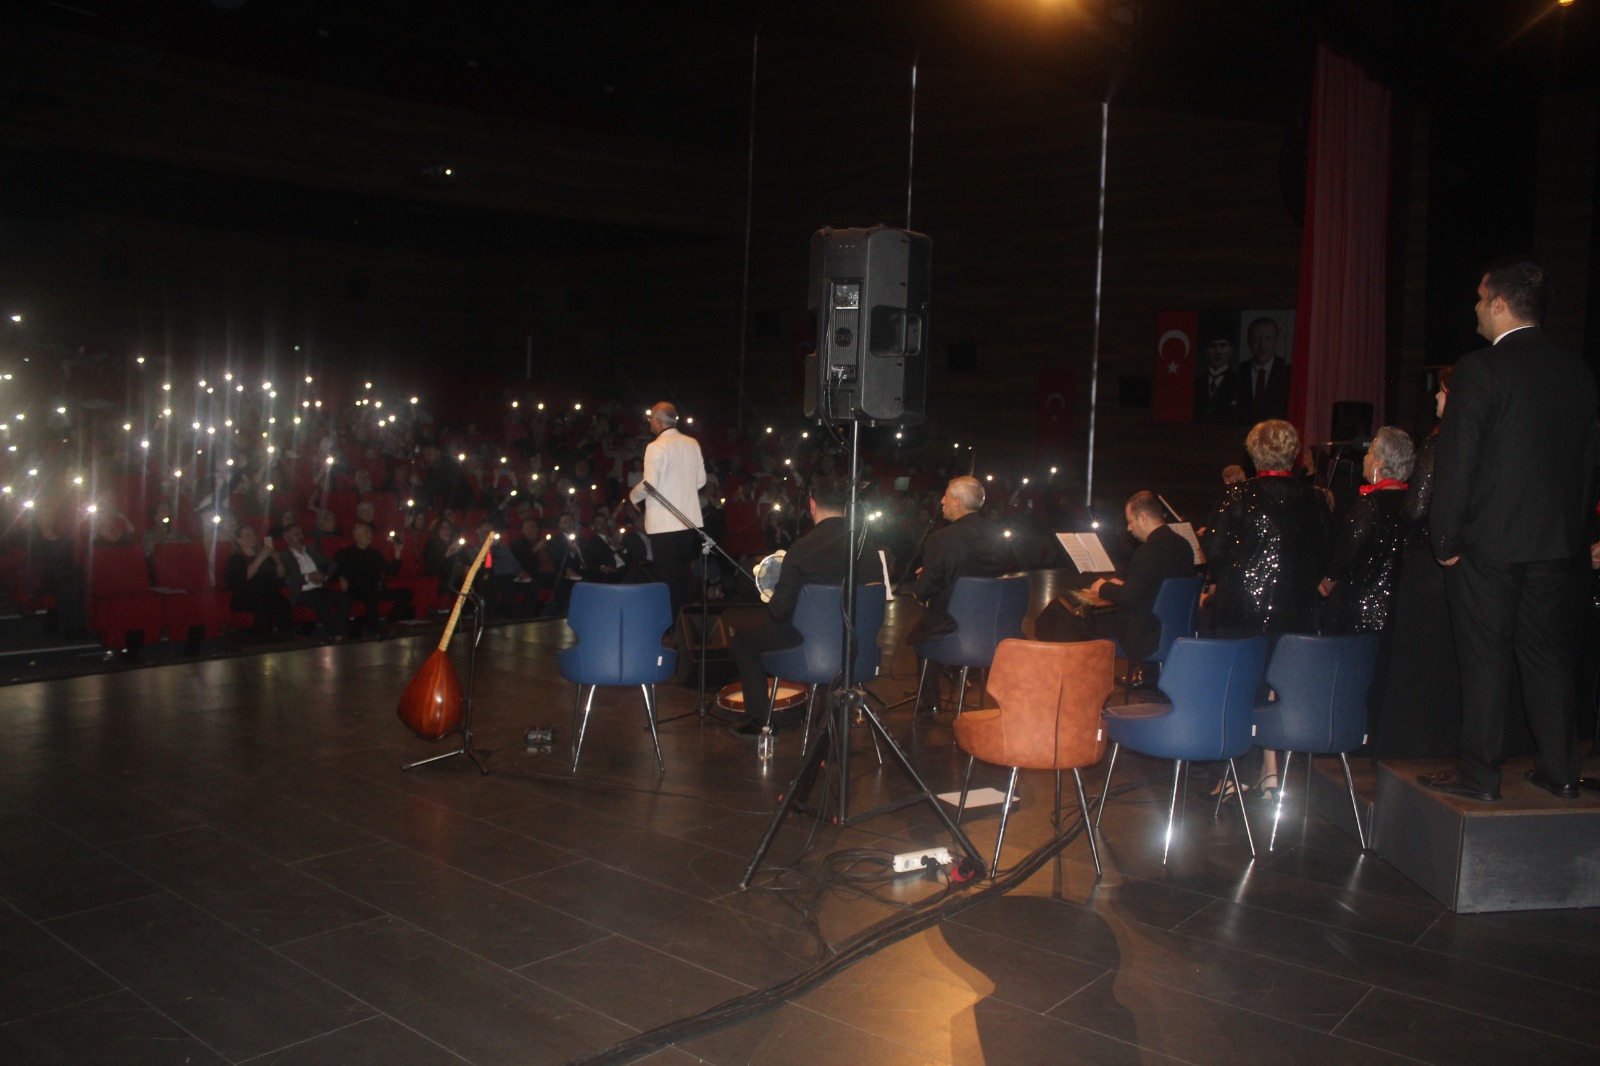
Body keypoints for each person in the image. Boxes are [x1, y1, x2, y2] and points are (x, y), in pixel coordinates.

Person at [1422, 258, 1597, 803]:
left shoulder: (1480, 368)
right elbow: (1588, 463)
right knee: (1548, 656)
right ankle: (1561, 770)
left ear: (1500, 304)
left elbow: (1459, 461)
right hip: (1555, 544)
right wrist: (1576, 532)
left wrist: (1444, 538)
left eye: (1480, 298)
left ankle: (1481, 774)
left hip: (1490, 543)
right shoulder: (1577, 371)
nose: (1476, 308)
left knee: (1486, 657)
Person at [1201, 418, 1329, 796]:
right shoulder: (1315, 499)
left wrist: (1231, 575)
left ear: (1254, 453)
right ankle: (1271, 772)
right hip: (1296, 607)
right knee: (1276, 689)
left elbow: (1214, 549)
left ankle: (1236, 772)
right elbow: (1325, 553)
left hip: (1242, 606)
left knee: (1240, 688)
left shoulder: (1237, 496)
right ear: (1292, 453)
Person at [1370, 370, 1465, 758]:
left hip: (1428, 561)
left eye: (1441, 393)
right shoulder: (1485, 444)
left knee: (1418, 659)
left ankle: (1409, 744)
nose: (1436, 400)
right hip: (1467, 564)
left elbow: (1415, 509)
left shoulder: (1439, 444)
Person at [728, 475, 855, 738]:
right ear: (846, 507)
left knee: (743, 641)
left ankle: (760, 721)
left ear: (812, 504)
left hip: (810, 648)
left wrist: (772, 591)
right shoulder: (865, 547)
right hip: (854, 649)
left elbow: (779, 610)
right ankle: (830, 710)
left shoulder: (802, 549)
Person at [1035, 490, 1195, 661]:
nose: (1129, 528)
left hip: (1142, 633)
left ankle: (1067, 671)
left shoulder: (1149, 550)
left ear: (1143, 518)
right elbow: (1152, 584)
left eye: (1130, 521)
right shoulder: (1183, 546)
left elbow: (1129, 597)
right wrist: (1125, 583)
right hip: (1170, 629)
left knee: (1065, 618)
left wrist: (1102, 587)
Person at [1319, 426, 1414, 635]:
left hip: (1361, 606)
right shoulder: (1411, 504)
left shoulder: (1369, 504)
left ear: (1378, 463)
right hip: (1399, 606)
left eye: (1369, 453)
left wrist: (1329, 579)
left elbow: (1348, 549)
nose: (1364, 458)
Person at [910, 476, 1011, 644]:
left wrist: (926, 575)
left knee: (919, 634)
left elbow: (922, 591)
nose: (942, 501)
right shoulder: (997, 534)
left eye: (946, 496)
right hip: (991, 621)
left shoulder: (940, 538)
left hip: (951, 627)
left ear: (956, 503)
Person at [629, 401, 706, 621]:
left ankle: (669, 623)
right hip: (689, 521)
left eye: (650, 419)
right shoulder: (692, 443)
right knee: (684, 574)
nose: (649, 423)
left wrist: (633, 496)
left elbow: (649, 484)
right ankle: (685, 623)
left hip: (664, 524)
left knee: (667, 577)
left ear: (657, 420)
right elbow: (700, 481)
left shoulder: (656, 447)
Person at [333, 521, 414, 633]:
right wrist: (341, 577)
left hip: (375, 589)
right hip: (356, 590)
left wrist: (397, 552)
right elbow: (334, 570)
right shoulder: (345, 553)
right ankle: (373, 627)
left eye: (370, 533)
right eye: (365, 533)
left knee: (406, 594)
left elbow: (391, 571)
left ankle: (390, 622)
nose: (369, 535)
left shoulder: (375, 554)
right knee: (372, 594)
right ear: (356, 536)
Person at [279, 523, 350, 641]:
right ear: (286, 538)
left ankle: (336, 633)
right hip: (301, 591)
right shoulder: (284, 555)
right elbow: (285, 579)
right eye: (296, 534)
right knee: (318, 601)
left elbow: (332, 564)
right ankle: (335, 634)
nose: (300, 537)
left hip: (319, 588)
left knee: (345, 598)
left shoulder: (311, 550)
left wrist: (324, 575)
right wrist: (308, 577)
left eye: (301, 534)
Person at [224, 525, 292, 636]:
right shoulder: (236, 559)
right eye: (247, 535)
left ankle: (286, 638)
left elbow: (280, 578)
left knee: (282, 602)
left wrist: (278, 560)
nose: (252, 537)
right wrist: (260, 557)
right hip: (246, 597)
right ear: (239, 540)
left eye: (253, 534)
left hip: (267, 594)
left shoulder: (265, 557)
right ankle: (262, 639)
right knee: (264, 605)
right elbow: (242, 579)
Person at [1237, 316, 1291, 420]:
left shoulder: (1288, 373)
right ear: (1249, 341)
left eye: (1268, 339)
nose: (1262, 345)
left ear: (1276, 341)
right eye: (1256, 339)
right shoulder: (1239, 372)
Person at [1194, 336, 1240, 425]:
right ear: (1206, 351)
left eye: (1223, 345)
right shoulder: (1196, 384)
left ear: (1231, 350)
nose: (1218, 352)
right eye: (1213, 346)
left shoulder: (1239, 383)